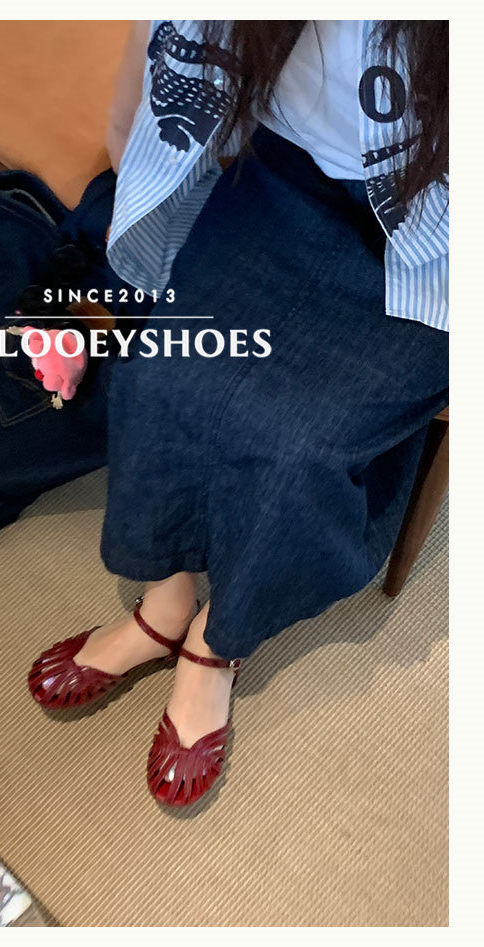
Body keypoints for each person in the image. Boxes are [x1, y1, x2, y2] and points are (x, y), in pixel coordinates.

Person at [27, 20, 449, 808]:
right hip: (284, 177)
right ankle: (166, 603)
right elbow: (161, 56)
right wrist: (133, 172)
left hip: (435, 233)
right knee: (159, 372)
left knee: (299, 449)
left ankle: (217, 643)